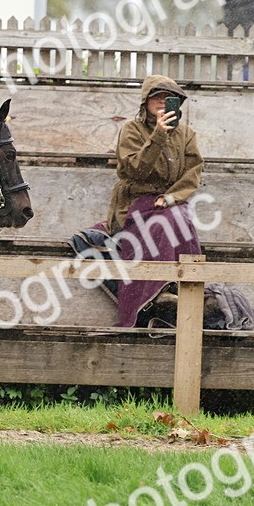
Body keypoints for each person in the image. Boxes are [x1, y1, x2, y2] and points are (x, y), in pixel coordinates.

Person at [104, 74, 204, 328]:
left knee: (180, 218)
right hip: (137, 201)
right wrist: (158, 135)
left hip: (171, 202)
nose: (162, 103)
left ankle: (183, 288)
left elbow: (193, 173)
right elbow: (135, 171)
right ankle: (154, 293)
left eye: (169, 98)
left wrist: (171, 197)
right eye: (157, 97)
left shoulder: (186, 134)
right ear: (145, 102)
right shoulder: (132, 130)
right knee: (167, 222)